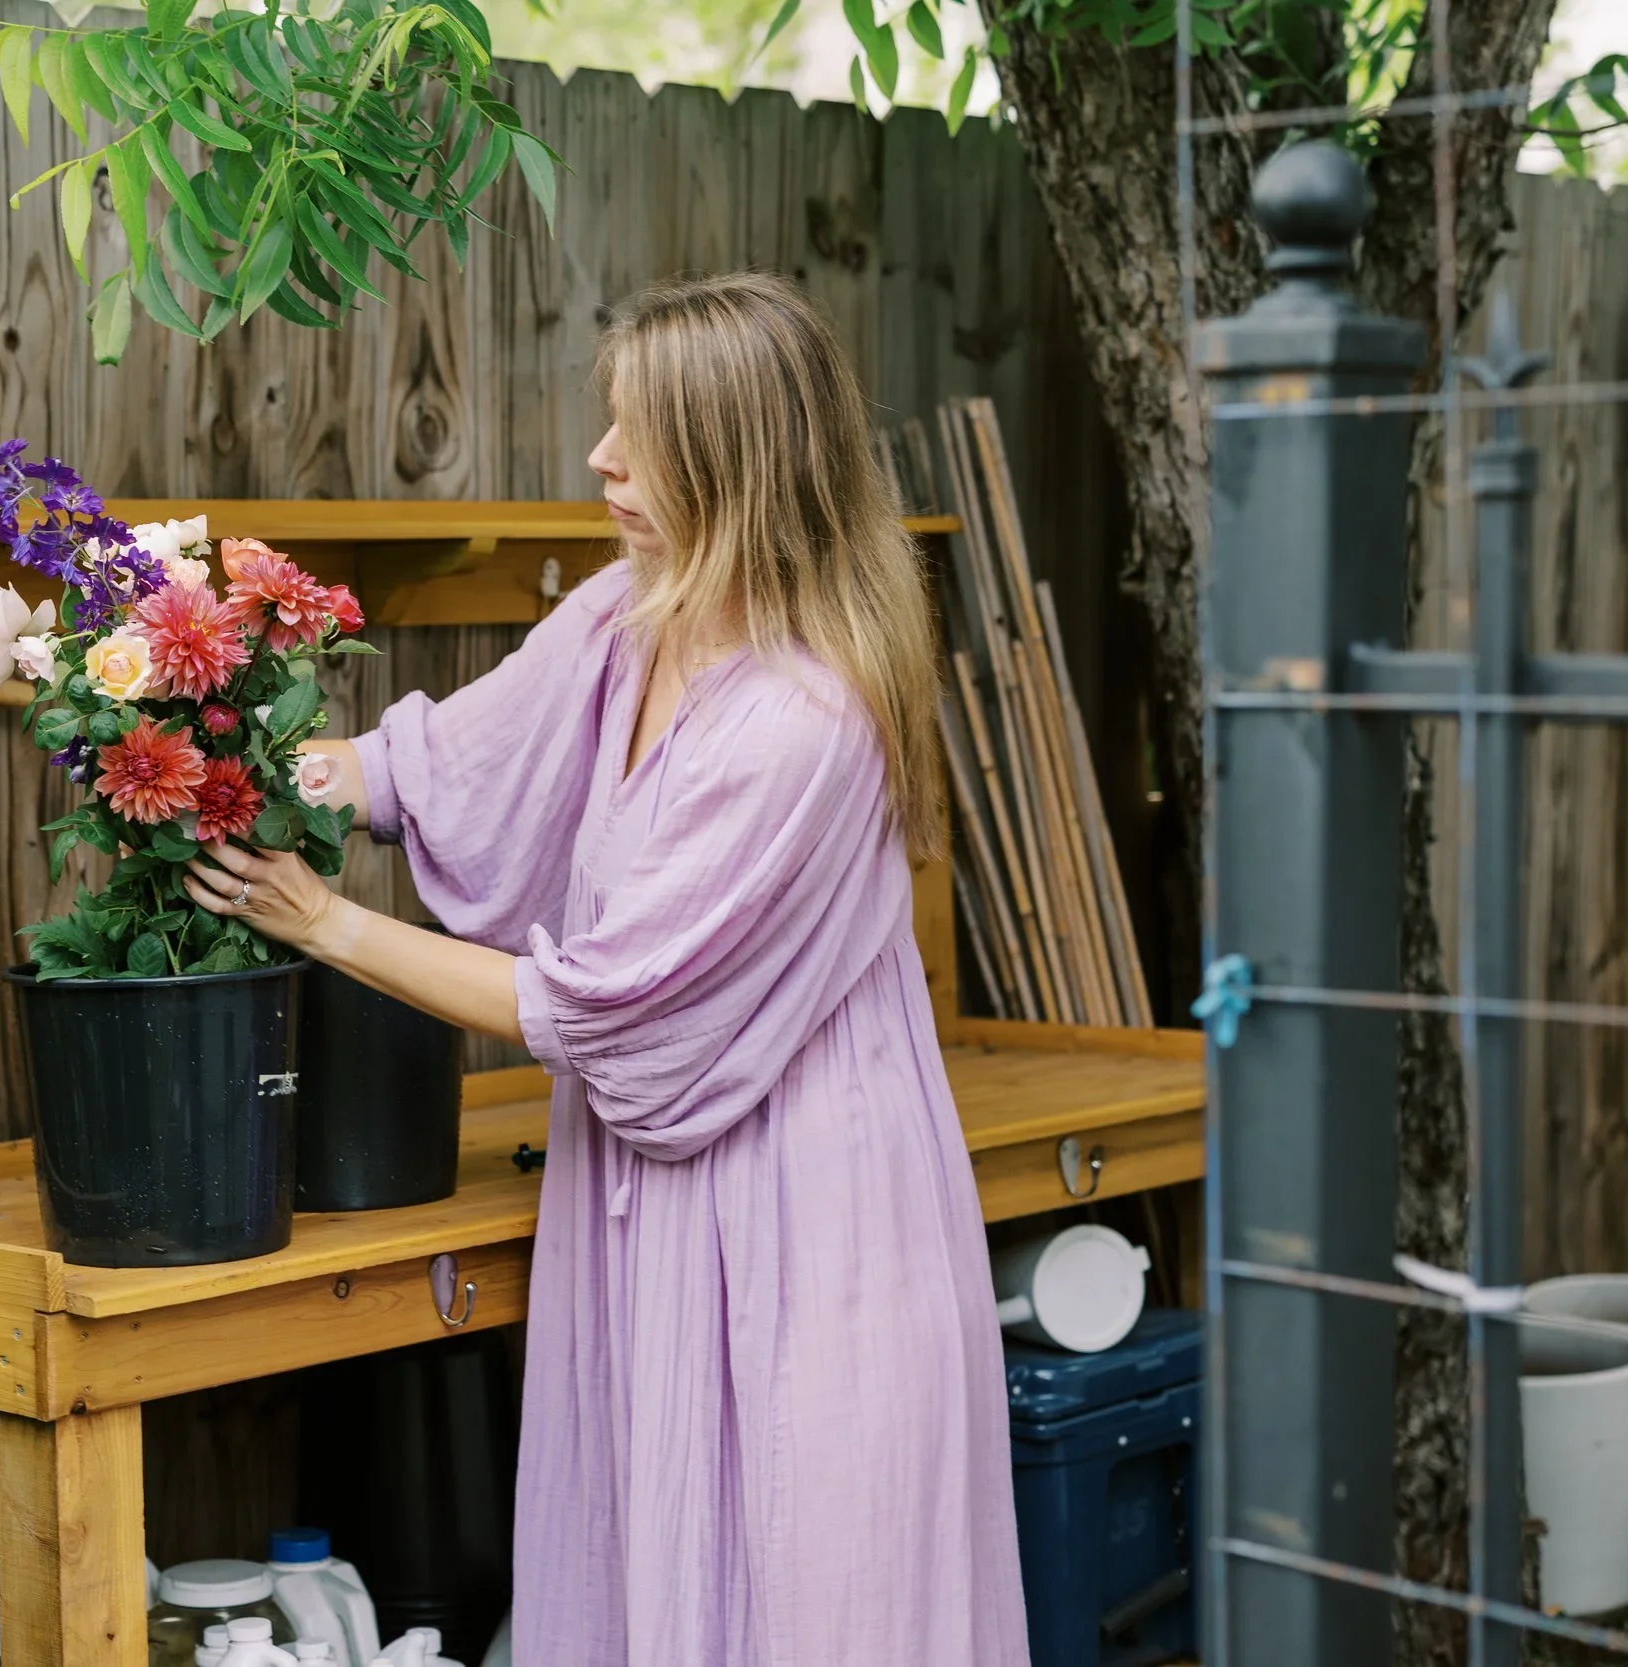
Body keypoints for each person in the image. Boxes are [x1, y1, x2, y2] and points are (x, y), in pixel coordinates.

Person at [182, 272, 1026, 1664]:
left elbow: (588, 1004)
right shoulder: (632, 617)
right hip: (649, 1209)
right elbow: (442, 761)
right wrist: (252, 751)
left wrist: (320, 918)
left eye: (640, 436)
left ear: (734, 467)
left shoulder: (804, 723)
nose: (601, 461)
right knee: (657, 1584)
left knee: (803, 1600)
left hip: (804, 1223)